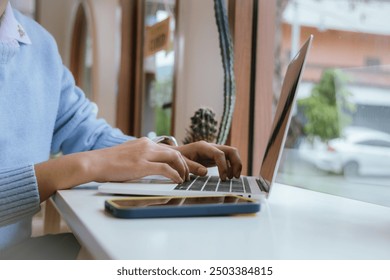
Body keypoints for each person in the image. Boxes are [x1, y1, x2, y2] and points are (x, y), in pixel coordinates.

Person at [0, 1, 242, 259]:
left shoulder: (40, 45)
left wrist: (165, 154)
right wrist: (86, 166)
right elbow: (90, 158)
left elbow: (84, 131)